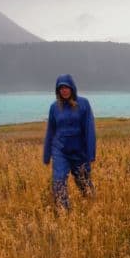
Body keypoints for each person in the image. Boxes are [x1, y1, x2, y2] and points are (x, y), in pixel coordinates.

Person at [43, 74, 96, 210]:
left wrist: (91, 154)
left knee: (83, 182)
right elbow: (51, 130)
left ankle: (92, 205)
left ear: (72, 88)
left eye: (66, 87)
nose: (64, 90)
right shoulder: (54, 107)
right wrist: (47, 154)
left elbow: (89, 129)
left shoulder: (84, 104)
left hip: (79, 150)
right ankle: (63, 212)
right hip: (60, 149)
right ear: (57, 91)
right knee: (58, 180)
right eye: (61, 88)